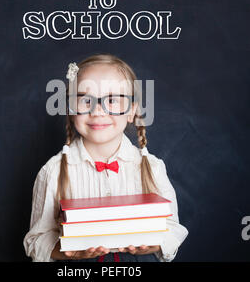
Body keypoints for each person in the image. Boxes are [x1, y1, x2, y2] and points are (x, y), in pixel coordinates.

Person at [23, 53, 188, 262]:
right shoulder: (53, 171)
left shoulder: (152, 168)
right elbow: (35, 241)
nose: (98, 111)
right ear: (71, 108)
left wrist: (156, 243)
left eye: (113, 100)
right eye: (85, 100)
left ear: (131, 112)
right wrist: (68, 252)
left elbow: (173, 229)